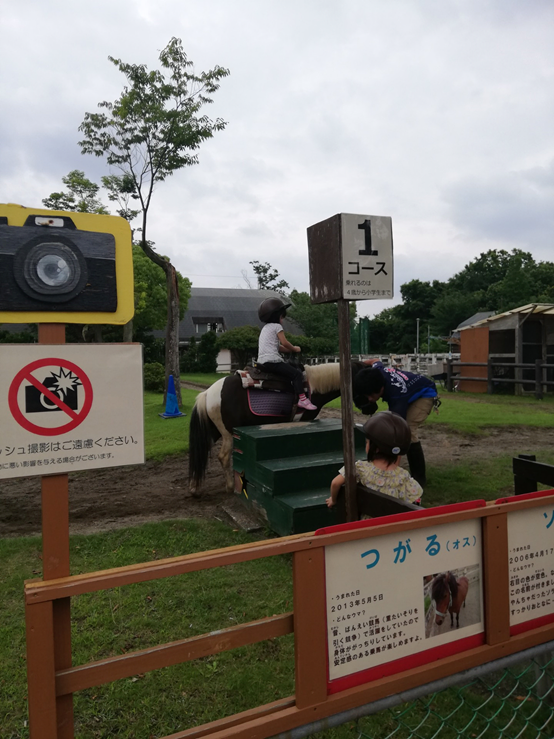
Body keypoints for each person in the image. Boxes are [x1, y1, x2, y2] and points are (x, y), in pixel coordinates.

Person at [352, 359, 439, 488]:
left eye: (371, 395)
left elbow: (398, 434)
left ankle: (419, 478)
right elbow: (375, 360)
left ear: (381, 389)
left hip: (425, 394)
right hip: (411, 391)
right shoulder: (377, 370)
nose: (369, 399)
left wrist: (391, 473)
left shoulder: (397, 396)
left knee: (408, 431)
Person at [326, 411, 422, 508]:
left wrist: (333, 500)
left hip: (368, 517)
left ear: (376, 449)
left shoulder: (361, 468)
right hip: (392, 518)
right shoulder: (403, 477)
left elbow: (335, 483)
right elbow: (416, 501)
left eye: (367, 442)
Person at [256, 297, 317, 411]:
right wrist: (295, 348)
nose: (282, 320)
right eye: (282, 317)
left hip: (263, 361)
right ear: (277, 316)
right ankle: (302, 400)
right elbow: (284, 342)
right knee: (297, 374)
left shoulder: (265, 328)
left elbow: (278, 347)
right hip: (273, 361)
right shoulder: (277, 327)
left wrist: (289, 350)